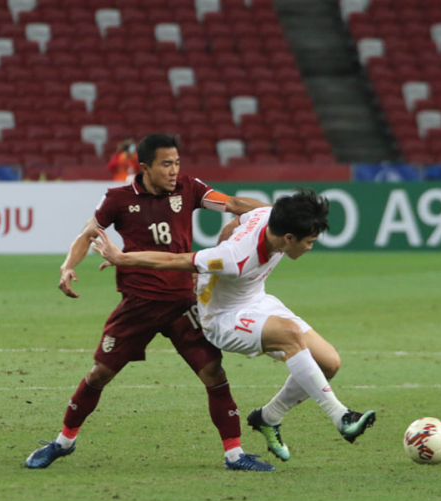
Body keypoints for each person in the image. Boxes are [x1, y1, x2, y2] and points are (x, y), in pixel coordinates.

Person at [25, 133, 275, 472]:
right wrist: (68, 266)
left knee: (214, 373)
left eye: (177, 163)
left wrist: (276, 213)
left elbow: (231, 204)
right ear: (145, 167)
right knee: (99, 374)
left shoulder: (190, 189)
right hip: (138, 306)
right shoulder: (117, 199)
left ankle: (235, 455)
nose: (174, 170)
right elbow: (88, 234)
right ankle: (63, 442)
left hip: (183, 304)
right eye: (166, 164)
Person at [90, 190, 377, 457]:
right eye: (309, 242)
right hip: (223, 318)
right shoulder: (235, 257)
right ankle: (341, 417)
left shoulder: (270, 215)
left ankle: (268, 417)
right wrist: (122, 258)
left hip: (256, 300)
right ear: (289, 238)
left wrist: (223, 243)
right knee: (290, 335)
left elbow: (238, 213)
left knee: (329, 363)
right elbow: (174, 260)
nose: (311, 247)